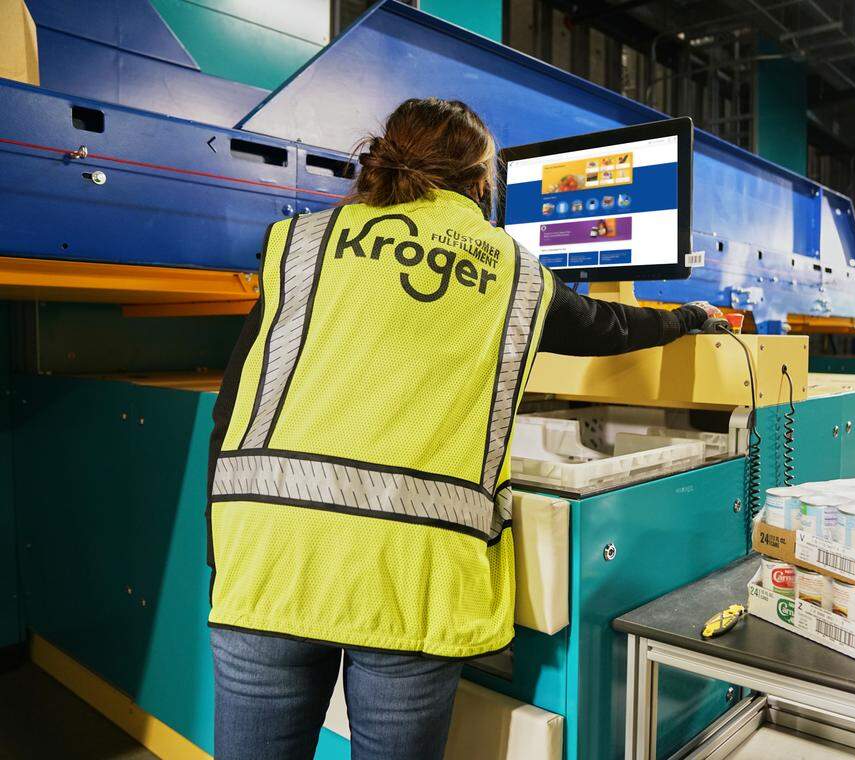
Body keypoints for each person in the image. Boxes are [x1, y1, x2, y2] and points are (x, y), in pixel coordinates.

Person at [205, 98, 722, 760]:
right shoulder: (510, 270)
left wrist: (225, 547)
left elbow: (234, 405)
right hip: (412, 574)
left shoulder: (305, 241)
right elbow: (608, 326)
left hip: (268, 553)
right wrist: (689, 318)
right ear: (482, 181)